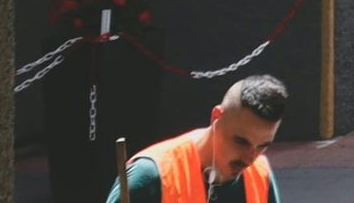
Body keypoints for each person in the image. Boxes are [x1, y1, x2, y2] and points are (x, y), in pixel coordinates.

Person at [107, 77, 288, 202]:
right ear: (216, 117)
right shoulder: (151, 176)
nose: (250, 158)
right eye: (241, 142)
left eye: (262, 146)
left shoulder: (260, 176)